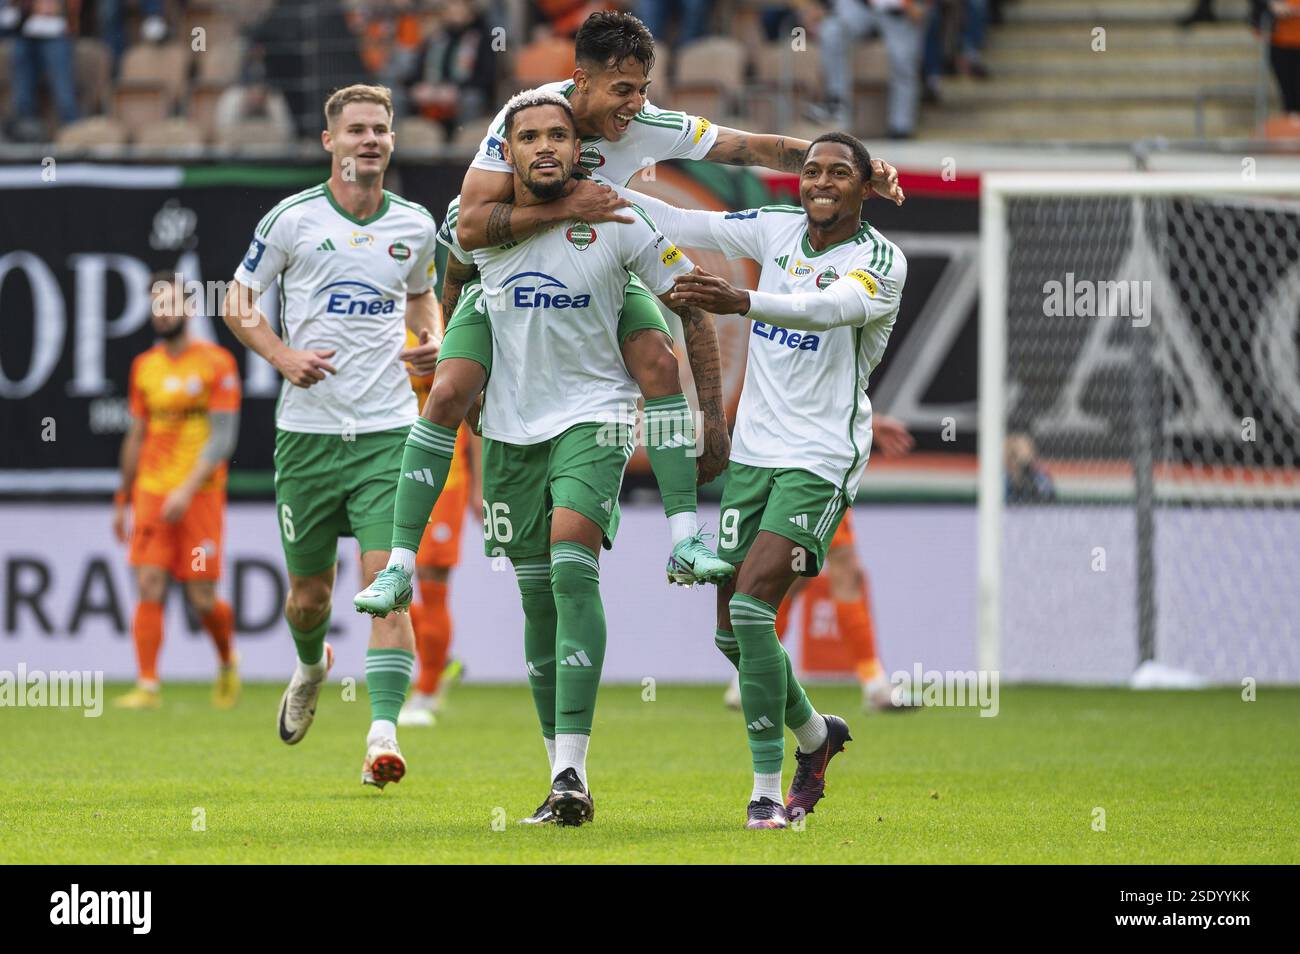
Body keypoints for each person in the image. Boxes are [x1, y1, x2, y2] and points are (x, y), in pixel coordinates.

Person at [354, 9, 906, 617]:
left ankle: (683, 539)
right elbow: (471, 226)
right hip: (512, 277)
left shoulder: (646, 123)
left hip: (602, 269)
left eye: (643, 88)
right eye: (623, 89)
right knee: (447, 390)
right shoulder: (529, 118)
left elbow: (751, 146)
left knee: (659, 359)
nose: (636, 104)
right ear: (581, 81)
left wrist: (851, 167)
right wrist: (567, 209)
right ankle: (398, 564)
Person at [398, 88, 717, 826]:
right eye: (529, 137)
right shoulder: (474, 222)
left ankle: (575, 770)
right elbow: (455, 275)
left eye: (558, 136)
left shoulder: (618, 214)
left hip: (594, 411)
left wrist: (714, 425)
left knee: (574, 558)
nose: (545, 146)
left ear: (580, 150)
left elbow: (692, 302)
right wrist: (454, 359)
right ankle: (558, 774)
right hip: (514, 420)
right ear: (504, 152)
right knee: (536, 597)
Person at [638, 132, 908, 829]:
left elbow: (829, 309)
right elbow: (681, 221)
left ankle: (765, 791)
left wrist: (743, 300)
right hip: (755, 453)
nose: (820, 182)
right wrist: (596, 187)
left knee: (754, 609)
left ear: (865, 187)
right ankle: (817, 735)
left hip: (818, 458)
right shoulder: (776, 227)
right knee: (730, 633)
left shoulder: (880, 260)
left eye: (838, 172)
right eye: (811, 170)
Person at [221, 84, 441, 789]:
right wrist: (282, 356)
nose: (369, 139)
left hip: (387, 432)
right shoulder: (292, 220)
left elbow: (422, 294)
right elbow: (237, 300)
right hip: (308, 436)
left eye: (380, 129)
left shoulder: (415, 224)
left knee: (387, 584)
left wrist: (431, 337)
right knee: (310, 597)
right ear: (330, 142)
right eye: (356, 130)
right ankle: (312, 665)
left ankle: (382, 737)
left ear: (392, 141)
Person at [722, 416, 916, 712]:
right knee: (798, 574)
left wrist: (867, 421)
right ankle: (750, 675)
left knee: (821, 571)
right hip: (799, 465)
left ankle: (749, 676)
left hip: (819, 460)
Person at [113, 273, 241, 710]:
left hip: (199, 496)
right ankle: (147, 685)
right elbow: (136, 435)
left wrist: (186, 490)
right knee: (148, 582)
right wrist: (123, 498)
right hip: (152, 492)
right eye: (156, 305)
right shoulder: (144, 367)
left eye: (169, 304)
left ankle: (227, 662)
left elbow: (223, 439)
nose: (162, 313)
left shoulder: (216, 363)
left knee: (201, 596)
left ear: (189, 307)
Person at [399, 330, 479, 727]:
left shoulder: (446, 331)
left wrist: (480, 485)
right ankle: (440, 657)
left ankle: (427, 691)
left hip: (443, 478)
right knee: (378, 578)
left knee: (431, 582)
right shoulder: (370, 326)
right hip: (387, 474)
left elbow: (475, 406)